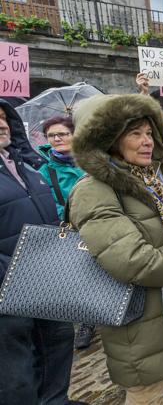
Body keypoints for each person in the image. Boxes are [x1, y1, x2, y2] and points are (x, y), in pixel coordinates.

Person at [69, 94, 163, 403]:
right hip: (136, 323)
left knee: (155, 391)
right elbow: (129, 259)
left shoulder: (147, 180)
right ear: (108, 139)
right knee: (145, 393)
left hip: (162, 312)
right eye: (135, 134)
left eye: (149, 132)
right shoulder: (93, 190)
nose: (147, 141)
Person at [0, 100, 78, 404]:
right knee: (16, 377)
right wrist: (11, 273)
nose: (2, 123)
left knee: (57, 355)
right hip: (8, 294)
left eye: (4, 118)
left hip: (46, 285)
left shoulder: (28, 166)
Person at [37, 116, 95, 350]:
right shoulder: (45, 169)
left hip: (98, 222)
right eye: (52, 136)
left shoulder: (90, 161)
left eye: (62, 134)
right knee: (79, 275)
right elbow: (49, 202)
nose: (57, 139)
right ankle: (86, 321)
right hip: (70, 227)